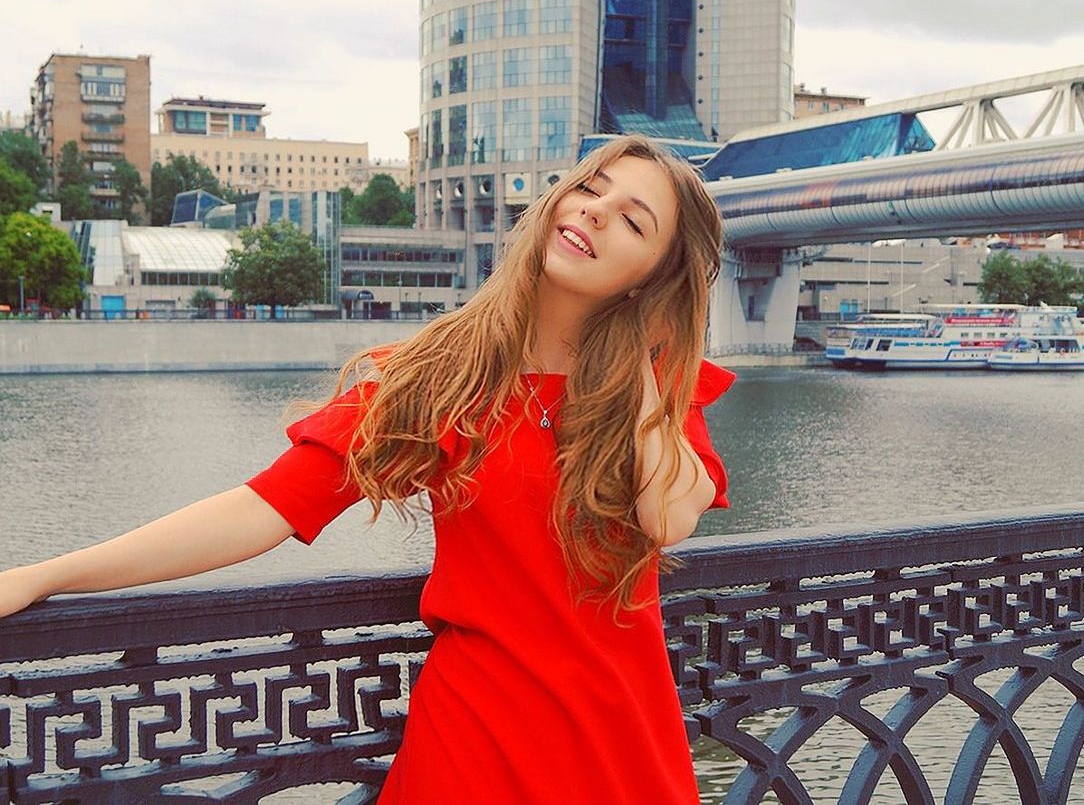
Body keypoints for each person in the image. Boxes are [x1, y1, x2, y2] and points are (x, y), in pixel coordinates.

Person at [0, 134, 734, 804]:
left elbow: (665, 516)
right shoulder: (444, 377)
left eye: (634, 221)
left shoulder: (658, 395)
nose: (595, 212)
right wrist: (45, 575)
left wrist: (645, 351)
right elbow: (264, 508)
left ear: (650, 278)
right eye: (590, 187)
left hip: (623, 740)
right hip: (479, 740)